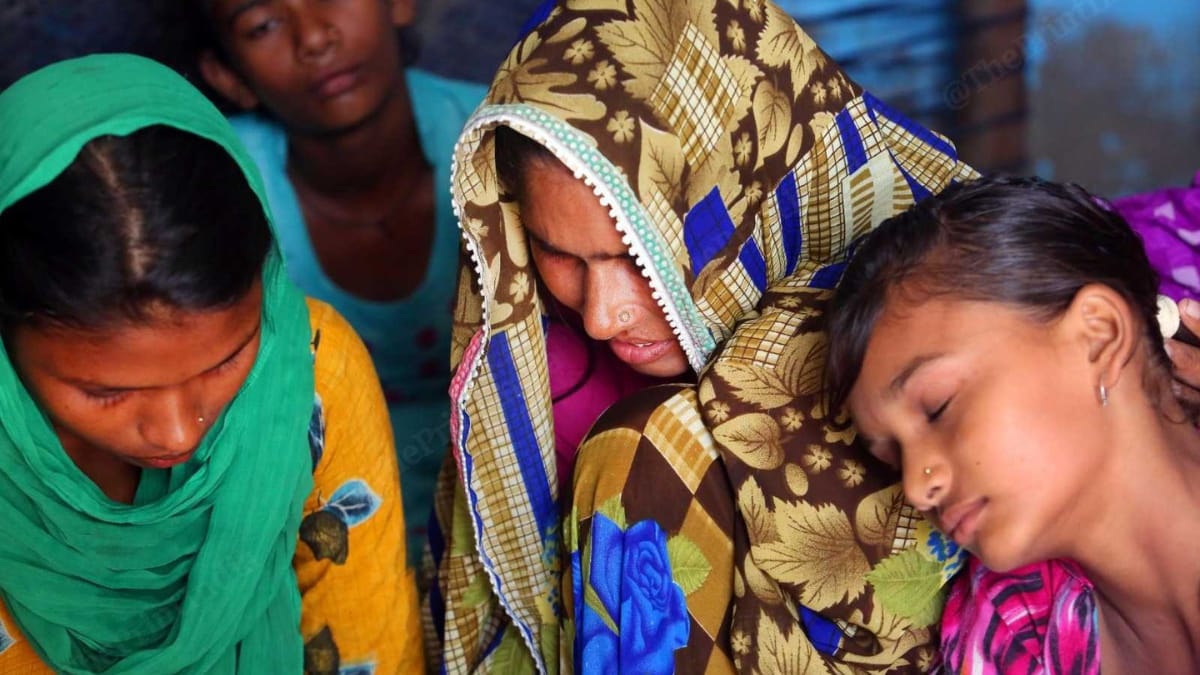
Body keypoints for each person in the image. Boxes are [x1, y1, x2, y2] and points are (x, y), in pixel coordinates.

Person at [423, 0, 978, 671]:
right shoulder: (527, 387)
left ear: (742, 197)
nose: (602, 316)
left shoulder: (945, 332)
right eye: (561, 255)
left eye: (636, 254)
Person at [0, 54, 422, 673]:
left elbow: (367, 646)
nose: (177, 431)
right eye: (105, 394)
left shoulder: (310, 374)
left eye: (226, 361)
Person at [825, 176, 1200, 674]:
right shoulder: (1008, 634)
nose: (916, 487)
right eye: (892, 458)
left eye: (938, 406)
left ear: (1099, 335)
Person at [192, 0, 487, 561]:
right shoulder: (217, 186)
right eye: (264, 25)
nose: (315, 39)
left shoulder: (501, 137)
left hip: (507, 499)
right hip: (313, 525)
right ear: (228, 75)